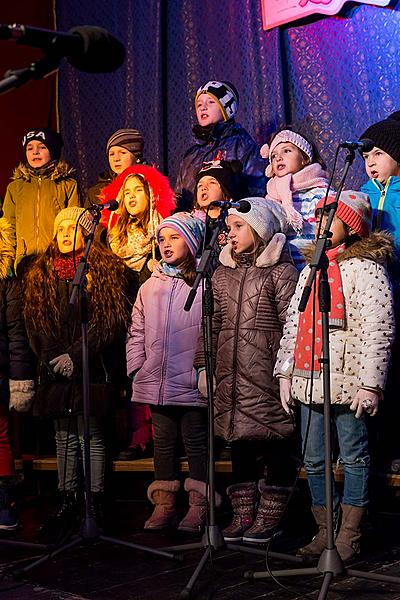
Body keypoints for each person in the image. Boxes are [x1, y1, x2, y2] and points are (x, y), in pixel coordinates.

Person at [275, 191, 395, 562]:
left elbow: (379, 327)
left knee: (355, 456)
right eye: (319, 218)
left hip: (347, 379)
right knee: (313, 457)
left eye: (330, 218)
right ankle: (325, 530)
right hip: (309, 376)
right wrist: (285, 371)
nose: (321, 225)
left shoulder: (367, 269)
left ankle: (350, 533)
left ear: (351, 225)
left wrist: (371, 382)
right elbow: (294, 322)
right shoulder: (312, 268)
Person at [22, 207, 134, 538]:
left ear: (85, 233)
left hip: (92, 368)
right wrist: (55, 357)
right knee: (64, 435)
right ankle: (68, 497)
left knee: (91, 433)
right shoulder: (40, 272)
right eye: (61, 227)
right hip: (55, 369)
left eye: (73, 226)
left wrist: (77, 356)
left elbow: (109, 321)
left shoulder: (105, 269)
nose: (66, 232)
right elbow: (34, 323)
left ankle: (95, 499)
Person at [195, 197, 299, 543]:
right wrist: (203, 366)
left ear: (260, 228)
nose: (231, 233)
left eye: (239, 226)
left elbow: (292, 325)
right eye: (229, 228)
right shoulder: (221, 274)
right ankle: (244, 514)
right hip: (231, 376)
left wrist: (287, 372)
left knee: (274, 441)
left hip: (266, 375)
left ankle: (271, 517)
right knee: (237, 441)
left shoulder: (282, 272)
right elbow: (210, 324)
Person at [126, 212, 212, 533]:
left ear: (190, 242)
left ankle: (199, 505)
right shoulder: (150, 287)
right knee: (162, 442)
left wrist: (205, 371)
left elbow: (210, 329)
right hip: (157, 381)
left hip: (190, 380)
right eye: (161, 239)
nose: (165, 245)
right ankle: (164, 502)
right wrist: (137, 367)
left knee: (195, 441)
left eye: (174, 238)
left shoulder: (203, 284)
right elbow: (137, 330)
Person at [101, 165, 176, 460]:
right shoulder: (116, 237)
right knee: (133, 374)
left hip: (156, 314)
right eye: (126, 192)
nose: (131, 197)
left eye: (137, 191)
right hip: (125, 314)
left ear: (150, 194)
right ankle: (138, 437)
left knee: (157, 370)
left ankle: (163, 438)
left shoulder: (163, 233)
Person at [359, 111, 400, 473]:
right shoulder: (362, 197)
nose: (370, 163)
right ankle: (377, 448)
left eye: (378, 155)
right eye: (366, 156)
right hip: (373, 300)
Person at [175, 80, 266, 211]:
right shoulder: (191, 154)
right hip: (194, 224)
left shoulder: (242, 146)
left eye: (211, 102)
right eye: (199, 104)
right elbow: (180, 196)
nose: (203, 107)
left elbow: (257, 193)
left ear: (227, 110)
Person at [3, 128, 80, 275]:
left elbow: (73, 224)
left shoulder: (67, 185)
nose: (35, 152)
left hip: (55, 260)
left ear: (53, 152)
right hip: (24, 263)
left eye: (42, 147)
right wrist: (8, 260)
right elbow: (8, 226)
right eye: (30, 148)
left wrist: (68, 258)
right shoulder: (15, 188)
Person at [0, 215, 35, 530]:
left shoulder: (7, 283)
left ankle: (5, 503)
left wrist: (18, 379)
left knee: (0, 437)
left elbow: (16, 335)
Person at [261, 128, 330, 270]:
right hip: (281, 272)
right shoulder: (271, 198)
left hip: (312, 269)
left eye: (286, 151)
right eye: (273, 156)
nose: (279, 157)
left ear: (304, 158)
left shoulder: (320, 193)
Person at [85, 128, 147, 207]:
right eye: (112, 154)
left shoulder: (149, 186)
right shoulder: (96, 192)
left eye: (122, 153)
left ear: (137, 157)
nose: (116, 159)